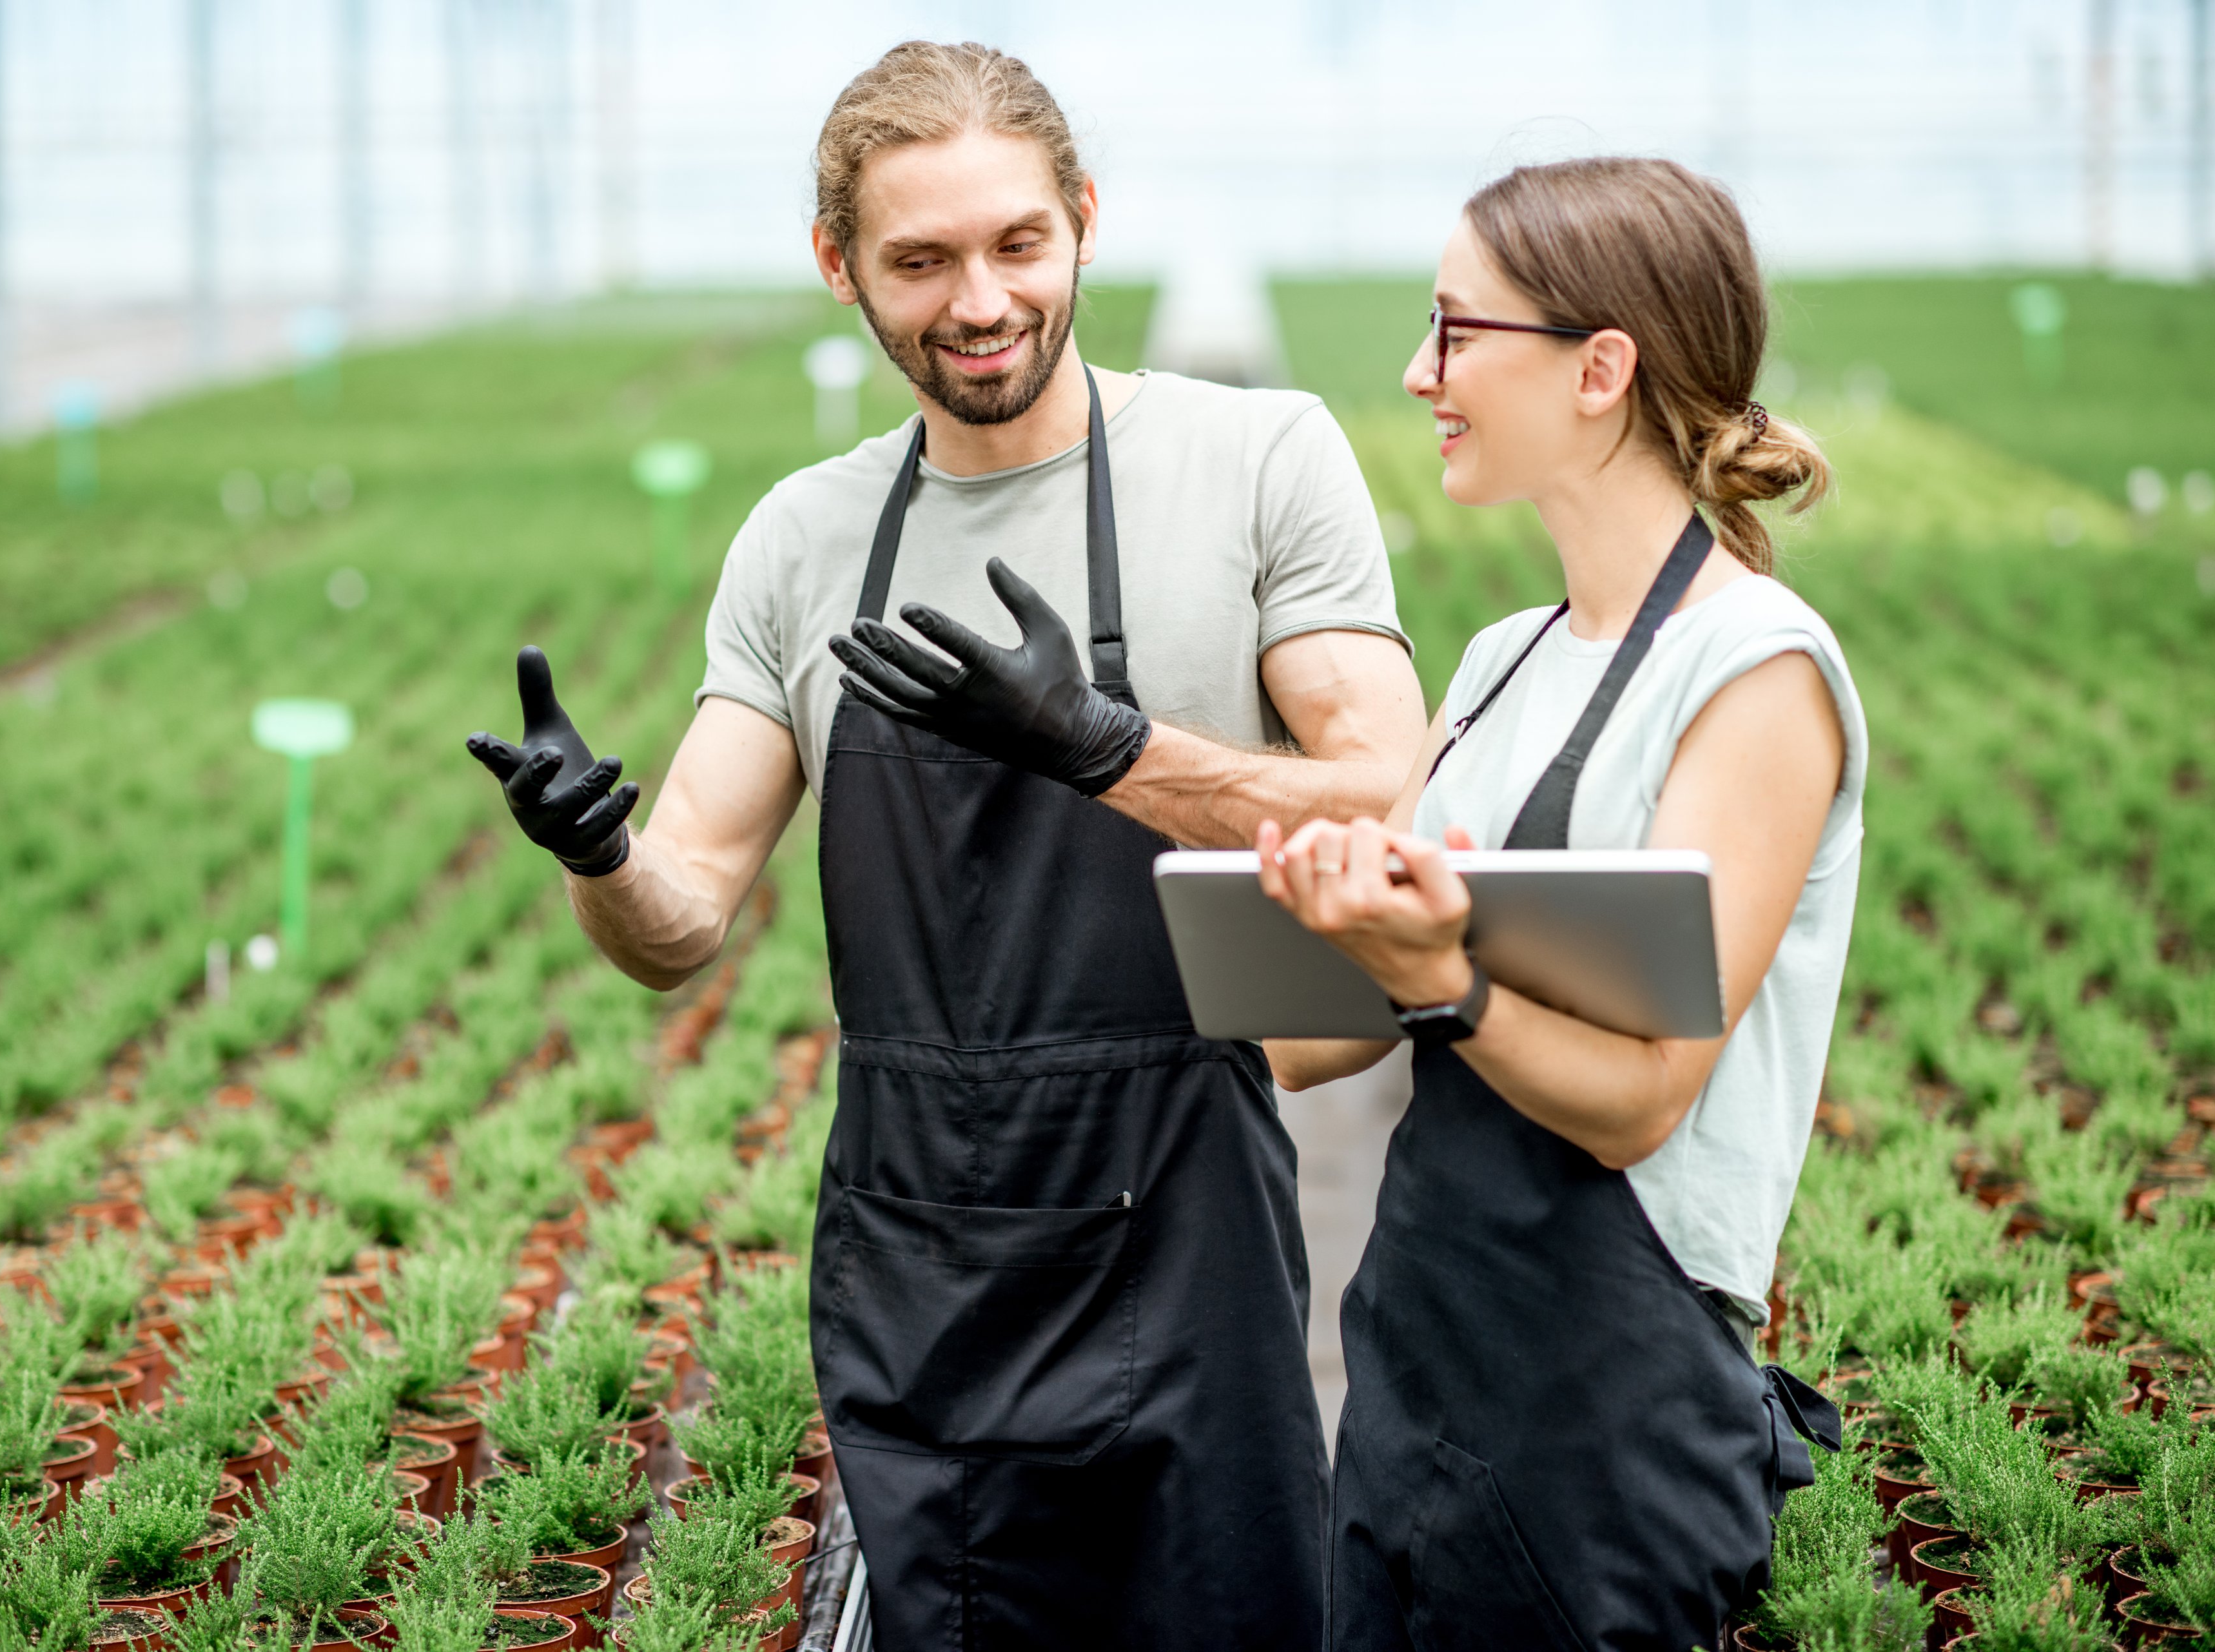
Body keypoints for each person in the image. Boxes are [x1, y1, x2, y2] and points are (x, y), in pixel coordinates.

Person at [464, 40, 1426, 1651]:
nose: (978, 301)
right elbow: (683, 915)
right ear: (839, 264)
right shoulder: (806, 536)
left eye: (1015, 245)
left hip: (1185, 1213)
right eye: (919, 260)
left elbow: (1378, 788)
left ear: (1085, 221)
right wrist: (599, 855)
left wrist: (1109, 746)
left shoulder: (1255, 461)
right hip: (923, 1236)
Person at [1256, 157, 1866, 1652]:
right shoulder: (1501, 661)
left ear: (1602, 368)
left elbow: (1643, 1099)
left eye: (1460, 332)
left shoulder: (1756, 673)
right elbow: (1312, 1043)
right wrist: (1152, 798)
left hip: (1607, 1418)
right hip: (1417, 1371)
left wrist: (1447, 975)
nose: (1421, 373)